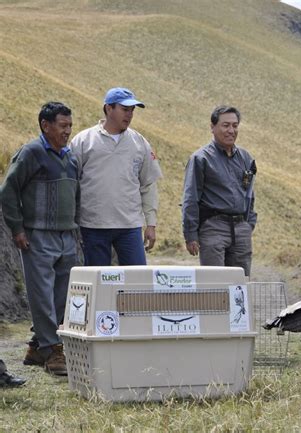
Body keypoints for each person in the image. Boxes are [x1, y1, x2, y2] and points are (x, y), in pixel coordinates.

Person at [1, 102, 79, 376]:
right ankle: (52, 350)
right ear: (46, 126)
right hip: (36, 236)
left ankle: (37, 346)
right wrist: (18, 229)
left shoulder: (71, 158)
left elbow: (75, 196)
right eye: (62, 125)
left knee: (64, 295)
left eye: (70, 125)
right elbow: (8, 191)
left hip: (66, 236)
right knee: (41, 295)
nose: (68, 131)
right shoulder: (31, 153)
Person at [70, 87, 162, 266]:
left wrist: (151, 224)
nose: (129, 115)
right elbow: (71, 183)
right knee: (98, 281)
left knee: (136, 281)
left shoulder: (140, 143)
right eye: (125, 109)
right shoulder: (83, 141)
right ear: (108, 108)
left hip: (129, 227)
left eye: (132, 110)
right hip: (93, 225)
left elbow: (148, 185)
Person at [182, 105, 257, 277]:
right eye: (225, 125)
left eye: (235, 125)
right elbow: (190, 198)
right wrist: (190, 234)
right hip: (213, 228)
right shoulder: (201, 159)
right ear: (212, 127)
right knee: (214, 285)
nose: (231, 130)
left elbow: (249, 194)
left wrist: (248, 224)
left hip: (241, 230)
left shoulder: (246, 158)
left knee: (240, 285)